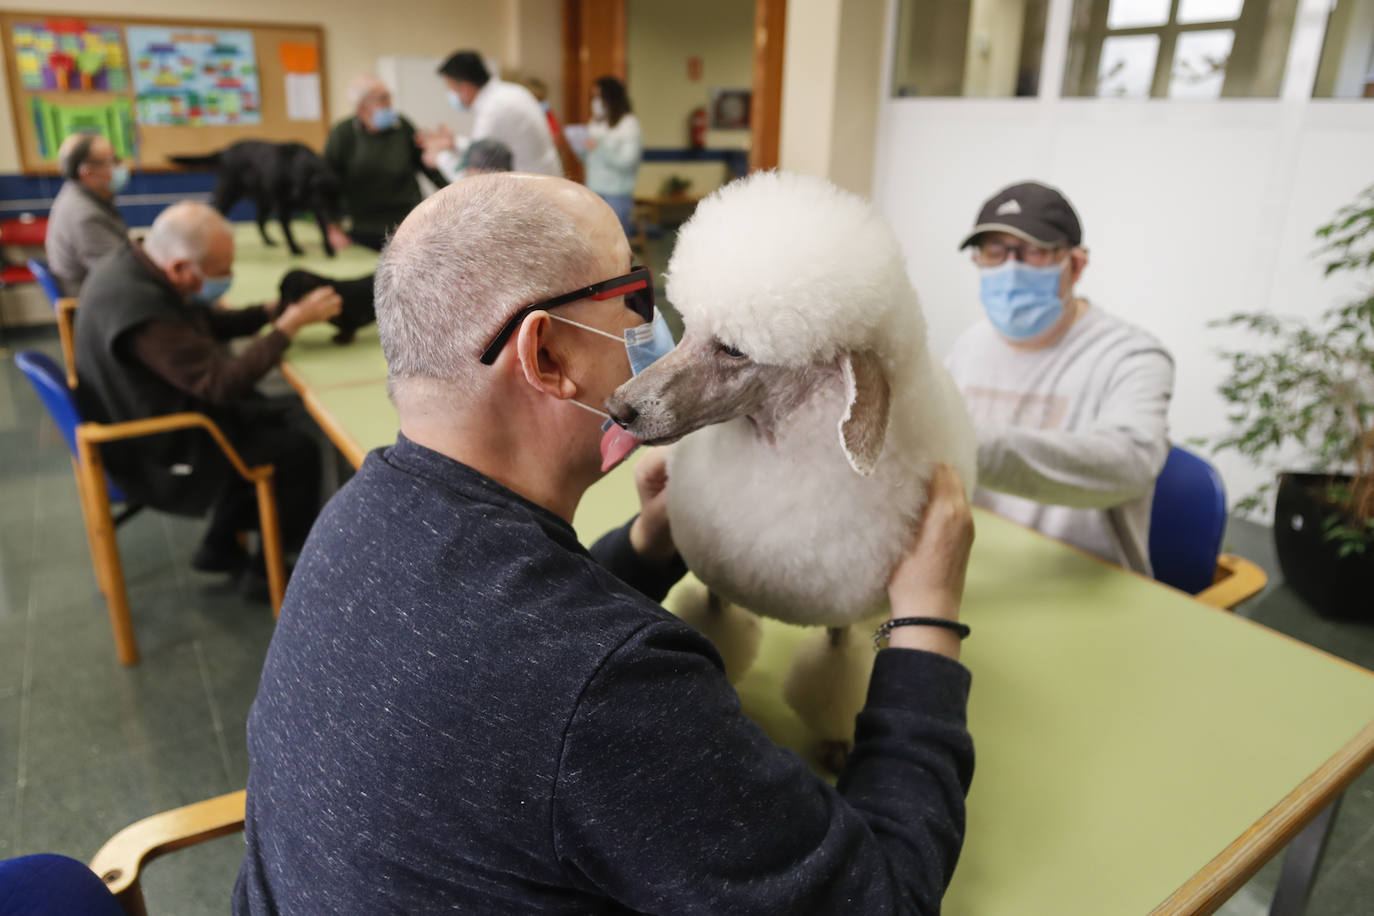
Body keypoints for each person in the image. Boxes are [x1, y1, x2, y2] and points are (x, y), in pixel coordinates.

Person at [233, 173, 976, 913]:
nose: (650, 340)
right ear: (548, 355)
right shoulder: (615, 691)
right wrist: (925, 622)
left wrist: (648, 546)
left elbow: (506, 651)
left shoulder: (353, 516)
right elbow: (885, 898)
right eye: (635, 302)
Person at [73, 202, 342, 596]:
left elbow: (202, 324)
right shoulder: (141, 309)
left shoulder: (136, 265)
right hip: (159, 445)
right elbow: (220, 383)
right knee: (298, 449)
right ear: (180, 268)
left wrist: (269, 312)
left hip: (145, 408)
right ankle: (267, 572)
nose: (228, 279)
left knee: (273, 415)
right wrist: (288, 328)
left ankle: (219, 546)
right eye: (222, 272)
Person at [944, 180, 1174, 574]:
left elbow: (1130, 464)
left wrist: (964, 442)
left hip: (1087, 578)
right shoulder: (969, 346)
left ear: (1076, 265)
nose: (1010, 268)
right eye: (993, 252)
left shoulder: (1131, 356)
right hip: (976, 564)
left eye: (1034, 251)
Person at [323, 75, 448, 252]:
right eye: (382, 99)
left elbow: (429, 168)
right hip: (362, 229)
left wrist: (457, 193)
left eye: (389, 97)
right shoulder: (343, 134)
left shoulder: (402, 126)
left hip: (408, 225)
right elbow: (326, 184)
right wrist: (332, 229)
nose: (390, 104)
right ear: (361, 107)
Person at [419, 51, 561, 179]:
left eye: (451, 89)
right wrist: (454, 143)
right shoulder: (511, 92)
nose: (451, 95)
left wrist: (439, 157)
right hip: (547, 179)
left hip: (534, 190)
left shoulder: (494, 110)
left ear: (465, 87)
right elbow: (490, 145)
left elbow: (475, 180)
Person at [45, 131, 131, 296]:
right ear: (88, 172)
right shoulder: (84, 215)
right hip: (96, 302)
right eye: (113, 161)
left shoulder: (79, 197)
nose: (121, 165)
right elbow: (118, 274)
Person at [580, 75, 642, 237]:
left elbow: (627, 162)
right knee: (594, 240)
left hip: (617, 193)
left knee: (615, 240)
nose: (595, 101)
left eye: (599, 96)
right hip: (593, 189)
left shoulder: (628, 124)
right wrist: (582, 149)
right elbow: (589, 160)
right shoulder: (595, 123)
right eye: (593, 97)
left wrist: (600, 147)